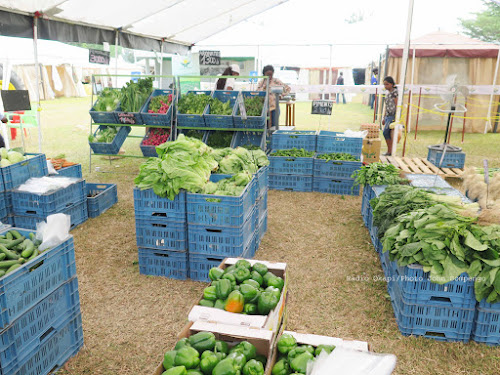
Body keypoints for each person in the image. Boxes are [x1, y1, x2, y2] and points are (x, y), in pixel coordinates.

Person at [382, 76, 398, 156]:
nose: (385, 86)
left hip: (393, 116)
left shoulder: (395, 92)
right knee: (386, 133)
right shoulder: (387, 93)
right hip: (388, 115)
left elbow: (397, 104)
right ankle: (389, 151)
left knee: (386, 132)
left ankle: (390, 151)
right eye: (384, 84)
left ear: (391, 84)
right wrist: (384, 117)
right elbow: (386, 106)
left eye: (387, 84)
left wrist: (396, 117)